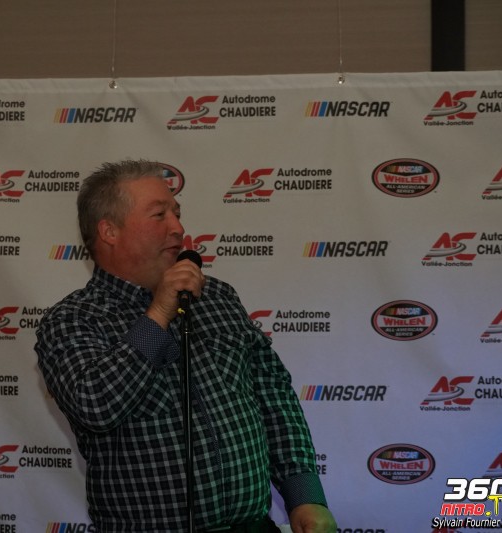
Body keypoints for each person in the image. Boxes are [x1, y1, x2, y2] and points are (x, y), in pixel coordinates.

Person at [35, 159, 336, 533]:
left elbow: (273, 396)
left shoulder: (217, 297)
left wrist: (305, 495)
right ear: (109, 231)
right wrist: (160, 311)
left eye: (177, 214)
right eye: (159, 215)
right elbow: (95, 406)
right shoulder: (72, 320)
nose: (178, 228)